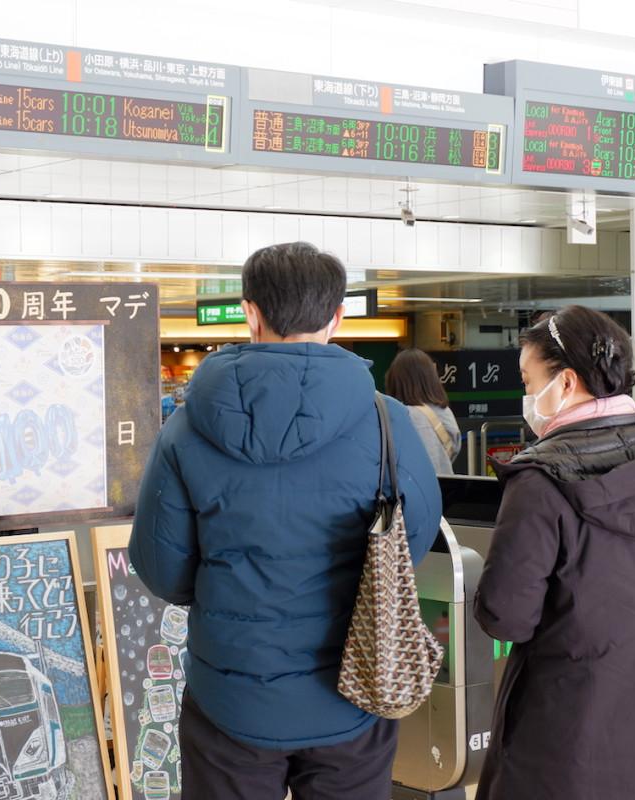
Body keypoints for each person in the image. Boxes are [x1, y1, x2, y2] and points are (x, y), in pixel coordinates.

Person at [129, 242, 442, 800]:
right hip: (357, 687)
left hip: (231, 696)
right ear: (337, 316)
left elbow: (162, 569)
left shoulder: (185, 428)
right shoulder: (386, 421)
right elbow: (411, 544)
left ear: (250, 312)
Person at [473, 306, 635, 800]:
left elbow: (505, 616)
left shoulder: (540, 482)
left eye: (529, 381)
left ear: (566, 383)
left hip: (567, 737)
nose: (527, 395)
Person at [385, 348, 461, 473]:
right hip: (445, 487)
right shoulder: (445, 412)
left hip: (414, 488)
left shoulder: (406, 415)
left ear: (395, 380)